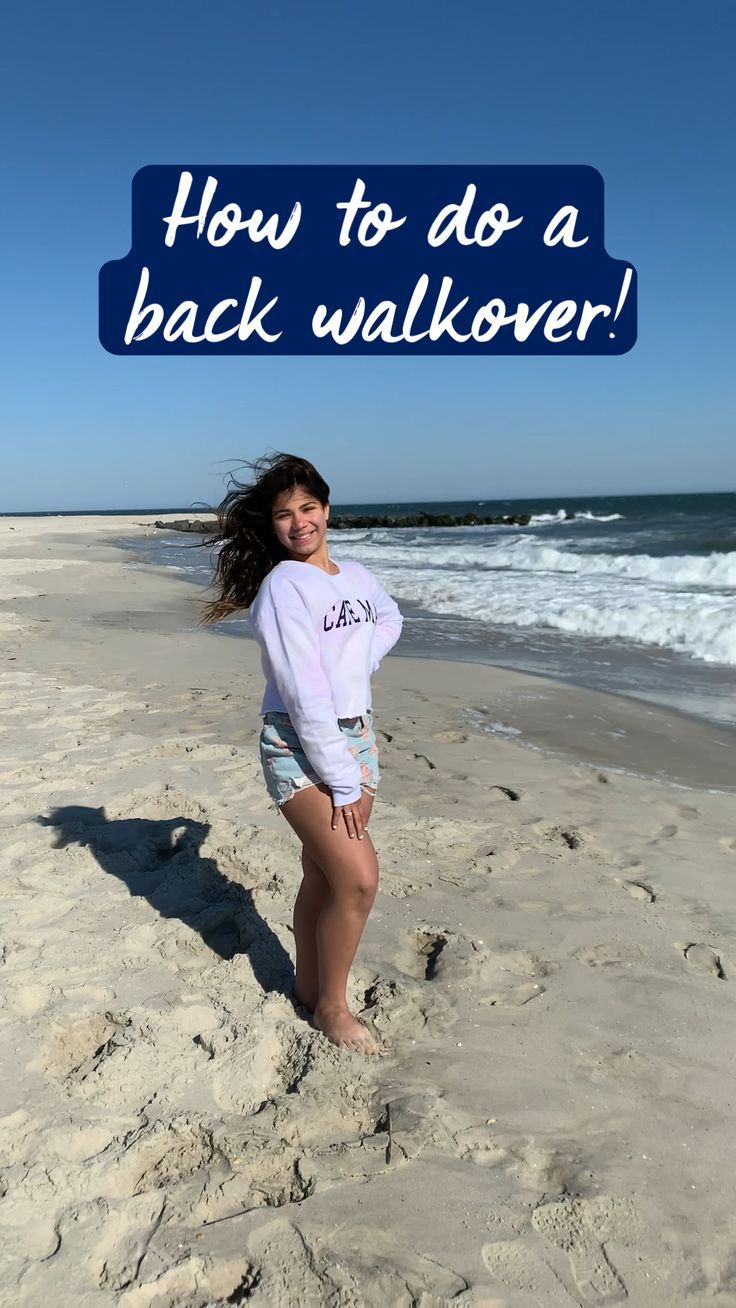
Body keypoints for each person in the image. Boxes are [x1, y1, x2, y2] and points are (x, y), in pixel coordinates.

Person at [198, 452, 403, 1055]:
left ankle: (310, 989)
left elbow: (390, 619)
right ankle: (333, 1011)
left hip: (356, 734)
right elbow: (305, 696)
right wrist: (341, 779)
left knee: (325, 870)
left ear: (326, 508)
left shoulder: (355, 576)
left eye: (308, 508)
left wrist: (354, 665)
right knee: (359, 879)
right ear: (272, 525)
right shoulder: (284, 589)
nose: (299, 523)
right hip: (301, 742)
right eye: (284, 515)